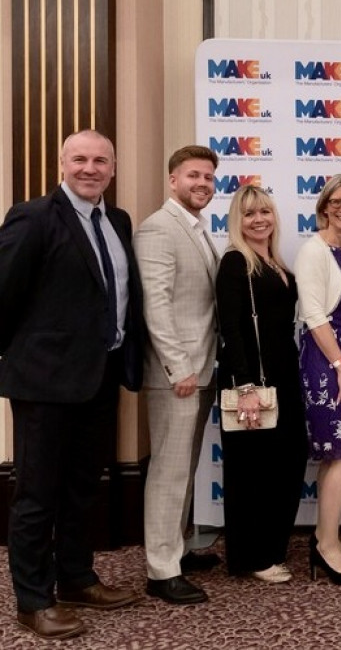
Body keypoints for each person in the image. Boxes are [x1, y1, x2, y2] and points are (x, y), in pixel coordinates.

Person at [0, 130, 144, 639]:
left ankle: (77, 578)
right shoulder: (34, 217)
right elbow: (4, 294)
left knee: (84, 486)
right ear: (62, 163)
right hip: (43, 381)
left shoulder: (118, 221)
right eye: (79, 159)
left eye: (100, 160)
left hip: (100, 376)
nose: (90, 168)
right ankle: (32, 600)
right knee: (37, 493)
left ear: (113, 166)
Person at [135, 144, 221, 605]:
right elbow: (157, 306)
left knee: (184, 467)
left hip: (199, 370)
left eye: (208, 177)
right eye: (193, 176)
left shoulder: (198, 229)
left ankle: (178, 547)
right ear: (173, 180)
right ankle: (161, 570)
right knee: (168, 471)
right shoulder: (158, 230)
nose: (202, 184)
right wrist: (178, 368)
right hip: (177, 375)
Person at [215, 185, 309, 583]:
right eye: (250, 213)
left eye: (265, 212)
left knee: (288, 463)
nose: (258, 220)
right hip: (252, 381)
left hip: (284, 375)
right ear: (238, 220)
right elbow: (231, 330)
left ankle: (271, 549)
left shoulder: (276, 263)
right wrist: (245, 388)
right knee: (251, 471)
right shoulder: (236, 262)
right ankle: (251, 557)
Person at [296, 174, 341, 586]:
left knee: (338, 452)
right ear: (324, 206)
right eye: (337, 201)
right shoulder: (314, 250)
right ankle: (325, 546)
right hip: (328, 361)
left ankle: (327, 538)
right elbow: (313, 316)